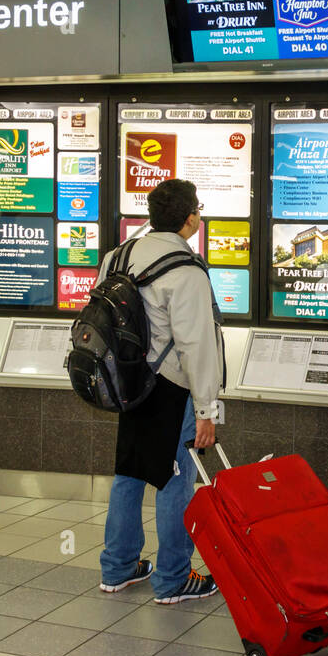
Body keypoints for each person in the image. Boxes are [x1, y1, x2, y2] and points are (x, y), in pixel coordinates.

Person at [97, 179, 223, 605]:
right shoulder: (186, 270)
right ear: (191, 219)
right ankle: (171, 579)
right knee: (174, 481)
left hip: (127, 383)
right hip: (171, 387)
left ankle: (118, 568)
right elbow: (197, 345)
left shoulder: (119, 255)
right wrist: (207, 409)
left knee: (129, 472)